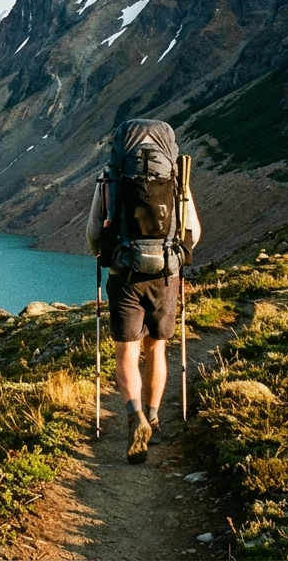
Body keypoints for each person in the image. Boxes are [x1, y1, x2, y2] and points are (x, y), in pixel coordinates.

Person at [86, 119, 200, 464]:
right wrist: (175, 258)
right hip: (165, 276)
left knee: (126, 353)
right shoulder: (177, 177)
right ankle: (152, 416)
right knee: (157, 349)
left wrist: (105, 252)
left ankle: (134, 415)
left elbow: (93, 232)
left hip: (125, 274)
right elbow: (192, 230)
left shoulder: (111, 177)